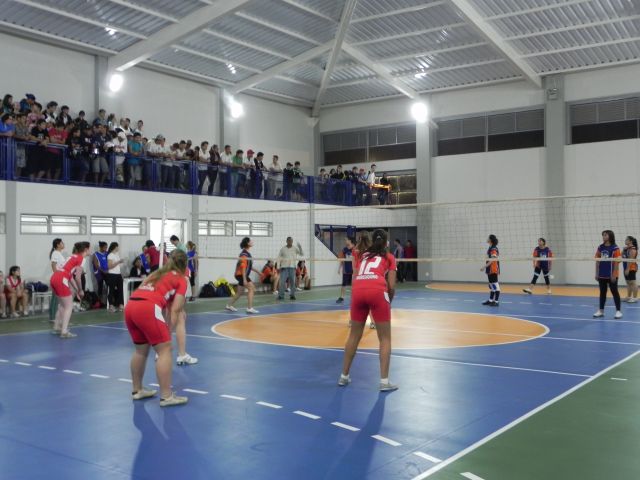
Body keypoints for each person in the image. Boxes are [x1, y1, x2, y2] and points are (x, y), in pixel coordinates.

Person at [124, 250, 190, 406]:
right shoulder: (181, 279)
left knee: (140, 350)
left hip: (131, 306)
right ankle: (167, 396)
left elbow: (143, 290)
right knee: (165, 349)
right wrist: (168, 332)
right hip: (148, 308)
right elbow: (175, 310)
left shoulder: (156, 274)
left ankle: (137, 390)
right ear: (184, 265)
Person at [338, 229, 398, 392]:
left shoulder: (363, 255)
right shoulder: (389, 257)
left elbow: (356, 275)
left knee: (354, 336)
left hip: (358, 291)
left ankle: (344, 376)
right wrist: (388, 301)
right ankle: (384, 382)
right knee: (385, 338)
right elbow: (392, 285)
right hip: (377, 291)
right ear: (385, 242)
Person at [50, 241, 91, 337]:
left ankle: (57, 327)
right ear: (86, 249)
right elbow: (78, 277)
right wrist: (81, 290)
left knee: (62, 305)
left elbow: (70, 276)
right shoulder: (82, 259)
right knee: (69, 306)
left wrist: (77, 290)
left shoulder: (71, 257)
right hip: (62, 279)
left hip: (55, 277)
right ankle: (64, 332)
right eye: (89, 249)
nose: (90, 250)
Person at [225, 237, 260, 314]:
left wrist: (258, 272)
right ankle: (249, 308)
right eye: (250, 241)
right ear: (247, 243)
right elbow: (243, 267)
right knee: (251, 288)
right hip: (241, 274)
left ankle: (229, 305)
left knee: (240, 292)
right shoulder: (244, 254)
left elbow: (249, 267)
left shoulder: (247, 254)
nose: (252, 241)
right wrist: (244, 279)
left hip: (241, 275)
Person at [594, 230, 623, 319]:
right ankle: (601, 311)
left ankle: (618, 311)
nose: (603, 236)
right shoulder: (600, 247)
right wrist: (596, 273)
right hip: (602, 274)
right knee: (602, 292)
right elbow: (597, 261)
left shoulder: (615, 248)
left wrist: (614, 274)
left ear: (610, 236)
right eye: (603, 235)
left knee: (614, 292)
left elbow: (617, 262)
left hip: (611, 274)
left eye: (605, 235)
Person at [49, 238, 67, 321]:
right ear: (58, 245)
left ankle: (54, 316)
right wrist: (57, 276)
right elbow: (53, 265)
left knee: (57, 298)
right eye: (62, 243)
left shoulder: (59, 253)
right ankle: (52, 317)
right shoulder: (55, 253)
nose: (63, 244)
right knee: (55, 298)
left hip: (61, 277)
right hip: (57, 278)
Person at [481, 235, 500, 306]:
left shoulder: (493, 248)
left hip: (493, 269)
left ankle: (496, 302)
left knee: (495, 285)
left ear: (491, 240)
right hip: (489, 269)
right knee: (491, 285)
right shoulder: (490, 247)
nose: (487, 239)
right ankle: (490, 300)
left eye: (488, 238)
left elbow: (492, 260)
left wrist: (484, 267)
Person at [106, 242, 125, 312]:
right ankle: (111, 305)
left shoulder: (117, 255)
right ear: (115, 247)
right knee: (111, 290)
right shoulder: (110, 255)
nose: (118, 248)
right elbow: (110, 266)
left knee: (120, 290)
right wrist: (118, 262)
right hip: (112, 274)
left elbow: (117, 266)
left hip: (118, 274)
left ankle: (121, 304)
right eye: (117, 246)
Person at [336, 236, 355, 304]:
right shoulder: (344, 250)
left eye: (346, 240)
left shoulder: (355, 249)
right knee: (344, 284)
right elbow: (342, 259)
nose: (345, 241)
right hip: (346, 269)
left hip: (354, 269)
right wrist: (339, 268)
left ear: (350, 241)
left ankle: (354, 298)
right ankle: (342, 297)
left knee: (354, 284)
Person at [93, 242, 109, 306]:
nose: (106, 248)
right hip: (99, 273)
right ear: (100, 247)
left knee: (109, 286)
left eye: (106, 247)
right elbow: (96, 265)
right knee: (100, 287)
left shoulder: (107, 253)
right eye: (105, 247)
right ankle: (100, 302)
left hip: (107, 272)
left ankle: (108, 301)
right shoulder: (96, 254)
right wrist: (103, 271)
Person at [623, 236, 638, 303]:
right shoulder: (627, 249)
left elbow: (631, 260)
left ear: (630, 241)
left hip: (631, 268)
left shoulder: (633, 249)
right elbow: (622, 256)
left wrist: (627, 269)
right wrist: (624, 250)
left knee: (633, 282)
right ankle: (629, 297)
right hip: (625, 267)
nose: (625, 241)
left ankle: (635, 298)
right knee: (628, 282)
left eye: (627, 240)